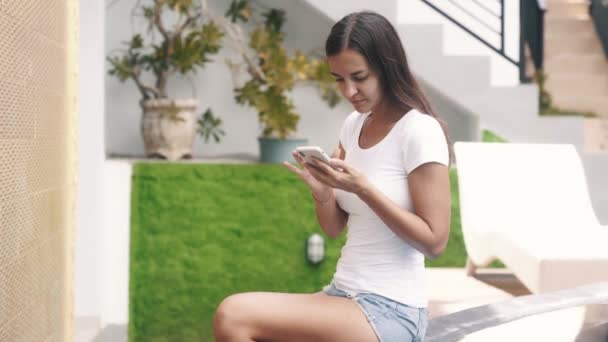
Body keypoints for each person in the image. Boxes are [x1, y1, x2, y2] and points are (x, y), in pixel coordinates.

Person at [213, 10, 451, 342]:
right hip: (342, 294)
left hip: (392, 310)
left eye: (359, 76)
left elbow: (435, 242)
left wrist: (364, 189)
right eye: (339, 78)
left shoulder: (419, 131)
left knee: (234, 314)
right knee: (234, 316)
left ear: (387, 67)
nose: (348, 90)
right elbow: (334, 228)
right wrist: (323, 191)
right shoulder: (353, 126)